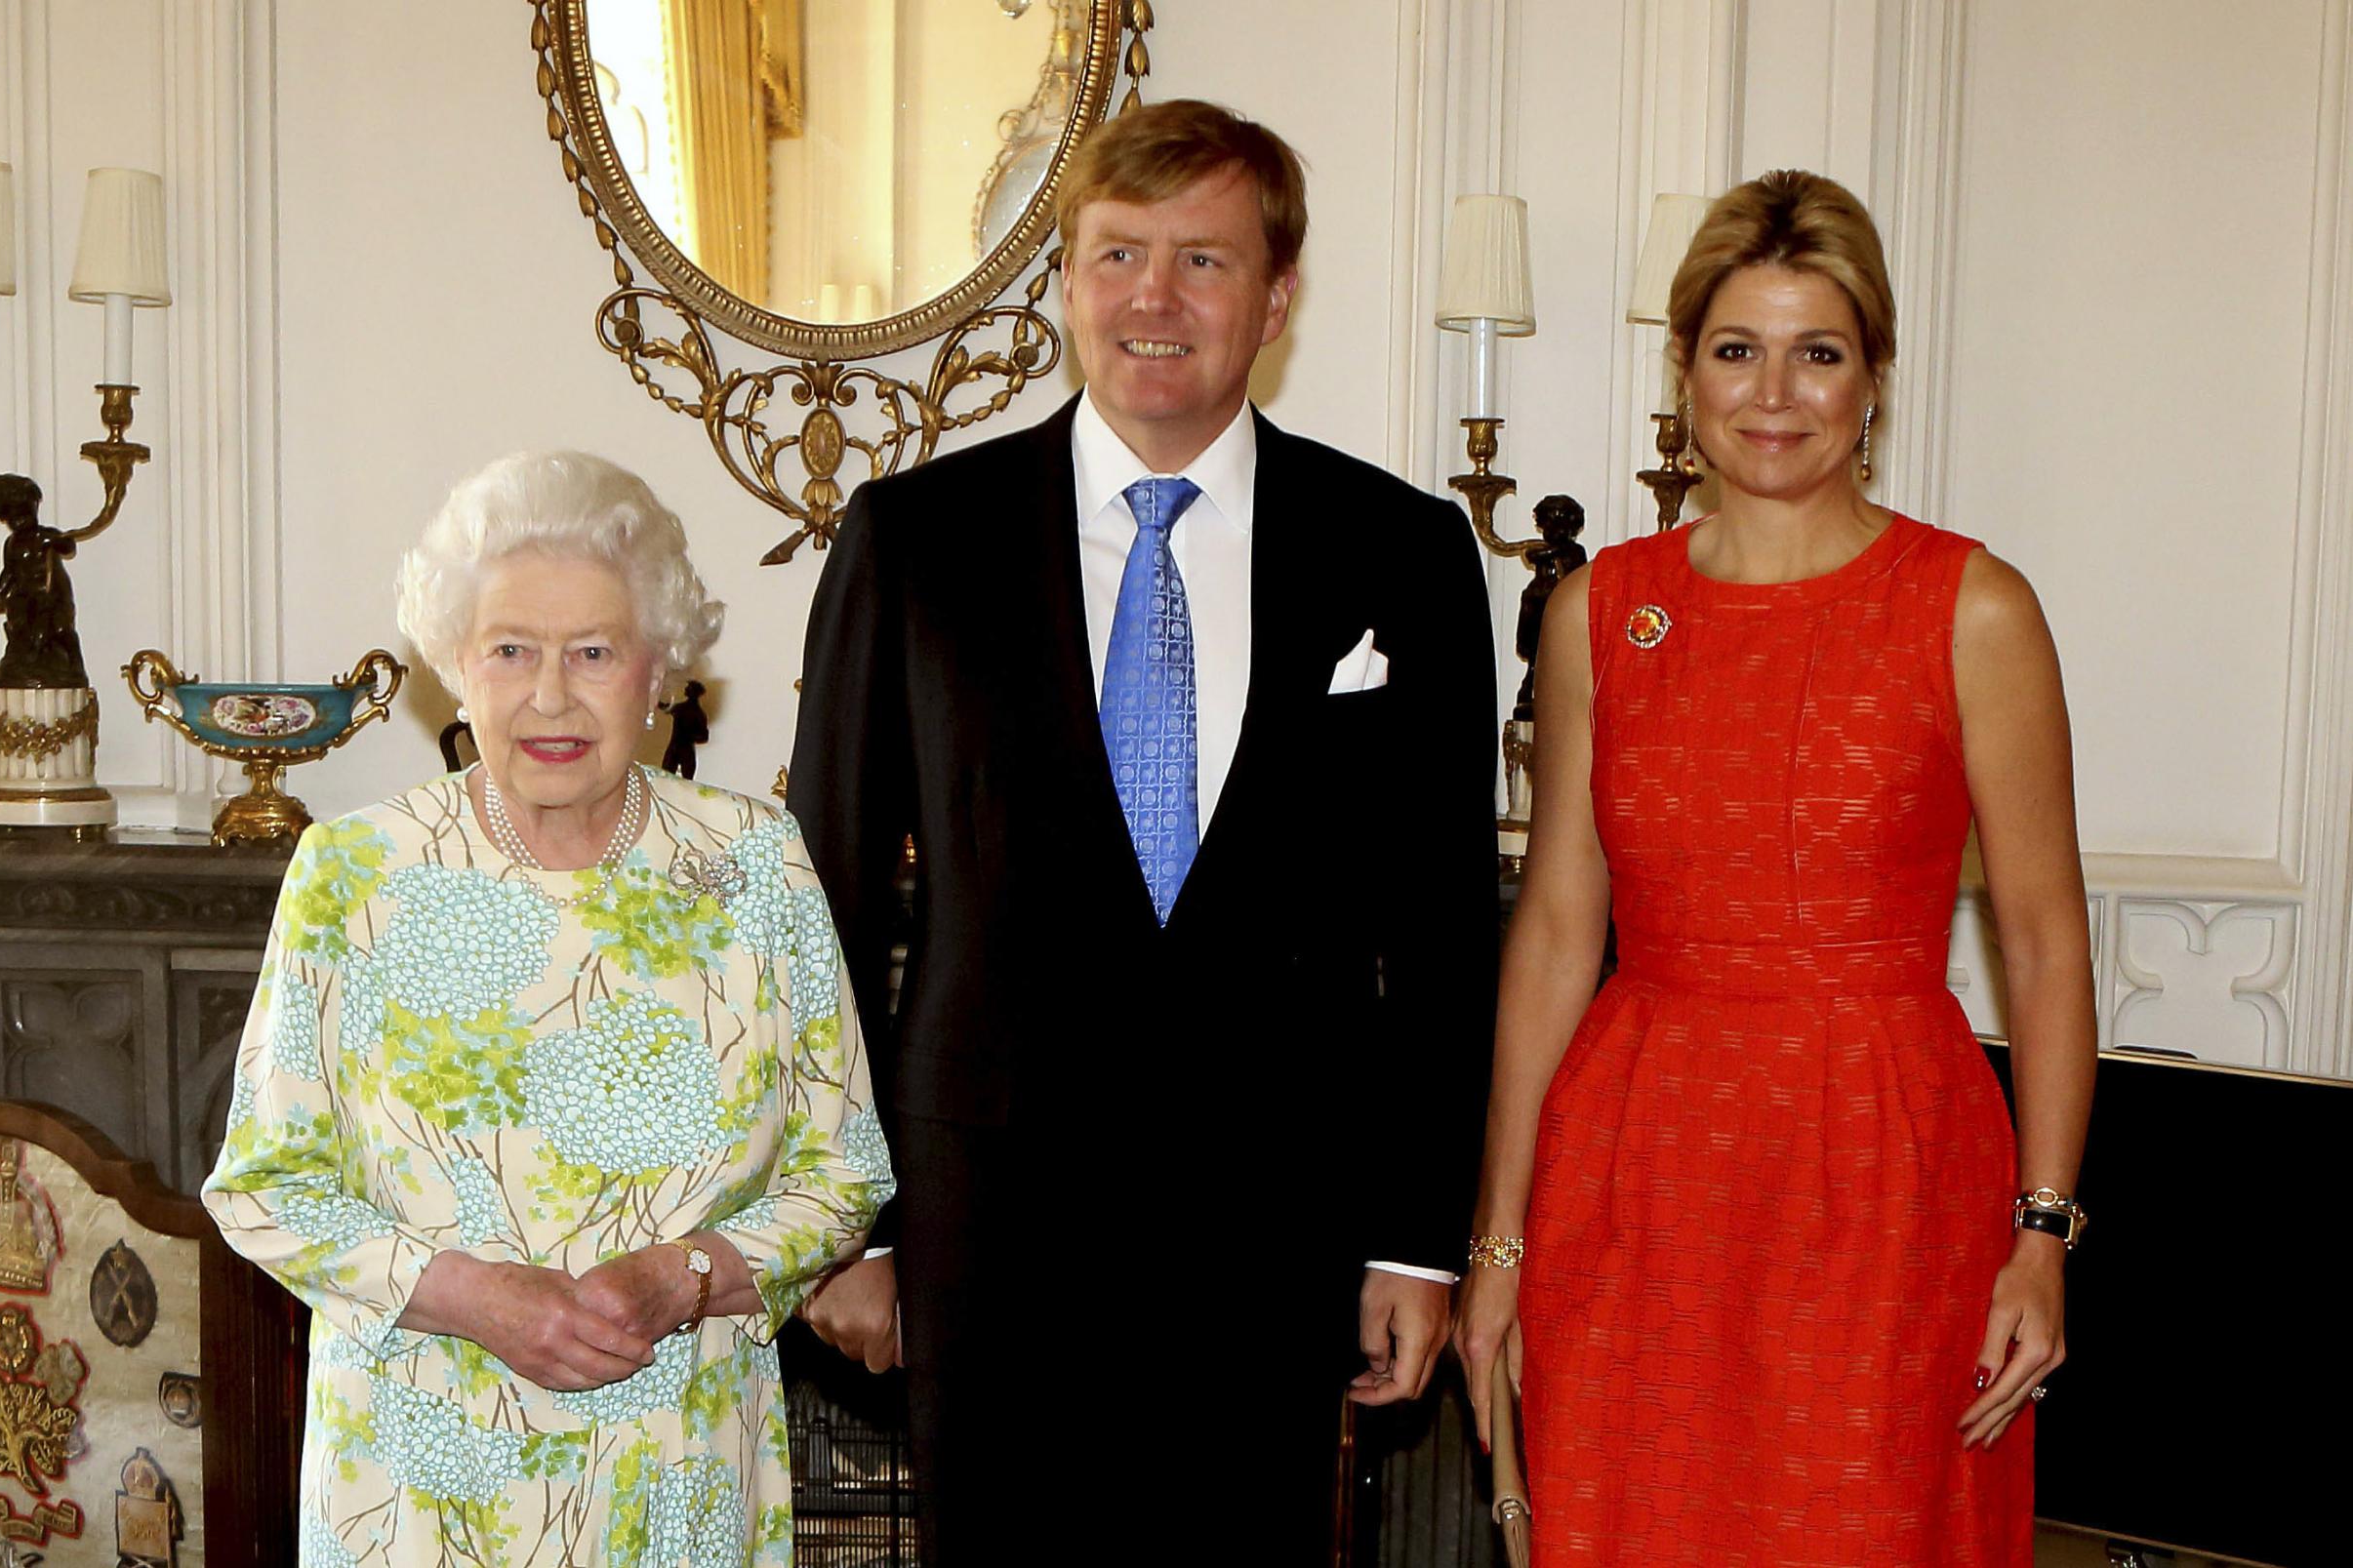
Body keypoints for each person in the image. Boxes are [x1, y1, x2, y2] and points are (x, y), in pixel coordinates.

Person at [789, 100, 1498, 1562]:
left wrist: (1416, 1237)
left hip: (1275, 1232)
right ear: (1064, 282)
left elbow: (1439, 930)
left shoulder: (1404, 553)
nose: (1154, 300)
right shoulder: (911, 540)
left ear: (1277, 298)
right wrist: (841, 1223)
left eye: (1203, 261)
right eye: (1117, 255)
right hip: (983, 1223)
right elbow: (828, 906)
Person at [1451, 170, 2097, 1563]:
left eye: (1820, 352)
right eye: (1737, 348)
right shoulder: (1596, 609)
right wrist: (1499, 1238)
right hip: (1637, 1163)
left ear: (1875, 377)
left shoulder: (1973, 606)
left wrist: (2042, 1232)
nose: (1775, 392)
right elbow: (1560, 929)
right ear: (1684, 370)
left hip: (1886, 1168)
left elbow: (2043, 942)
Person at [204, 451, 891, 1566]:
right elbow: (266, 1186)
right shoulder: (354, 872)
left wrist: (685, 1275)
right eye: (511, 649)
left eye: (594, 652)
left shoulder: (754, 863)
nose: (551, 695)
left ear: (658, 668)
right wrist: (471, 1293)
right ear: (456, 666)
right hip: (413, 1490)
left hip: (675, 1478)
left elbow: (845, 1169)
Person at [0, 473, 87, 688]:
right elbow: (10, 572)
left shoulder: (46, 536)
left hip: (53, 594)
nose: (19, 521)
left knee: (60, 629)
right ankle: (21, 658)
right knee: (20, 622)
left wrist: (60, 541)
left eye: (24, 514)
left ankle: (76, 664)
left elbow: (68, 548)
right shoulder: (11, 544)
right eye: (12, 517)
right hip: (27, 595)